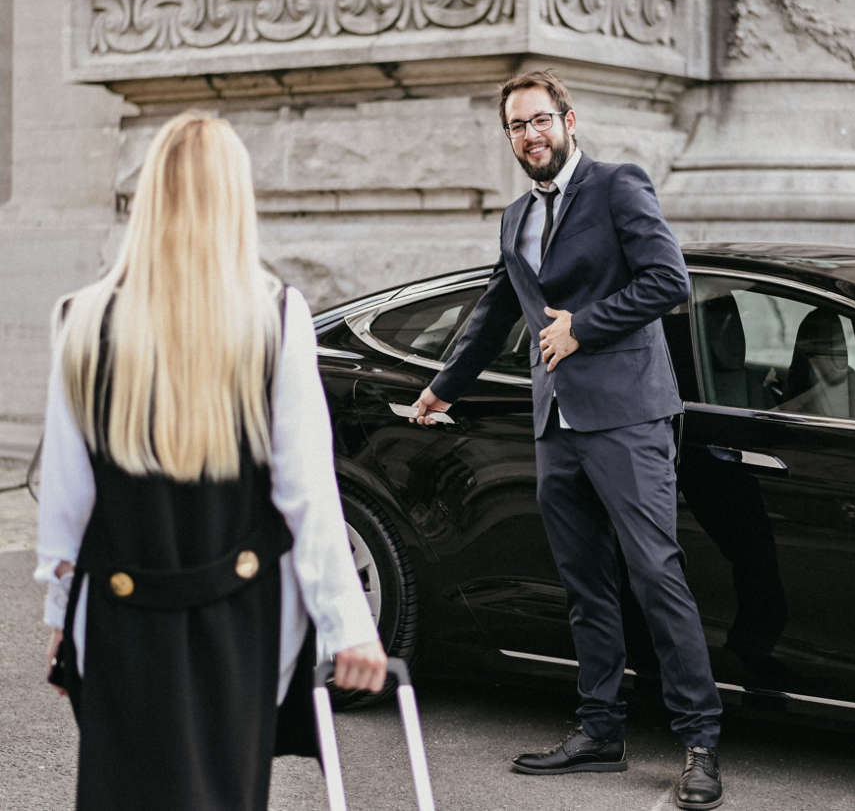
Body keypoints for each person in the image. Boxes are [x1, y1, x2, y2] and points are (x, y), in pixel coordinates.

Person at [34, 111, 387, 811]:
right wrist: (349, 626)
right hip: (240, 617)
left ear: (150, 196)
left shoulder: (81, 319)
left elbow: (69, 509)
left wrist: (59, 618)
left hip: (120, 611)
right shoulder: (277, 317)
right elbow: (308, 494)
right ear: (235, 198)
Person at [410, 71, 724, 809]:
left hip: (628, 415)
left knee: (656, 575)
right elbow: (496, 309)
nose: (531, 136)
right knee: (585, 585)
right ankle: (600, 730)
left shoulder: (618, 185)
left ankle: (700, 741)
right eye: (517, 127)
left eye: (541, 120)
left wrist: (583, 325)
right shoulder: (515, 215)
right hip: (556, 423)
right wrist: (442, 387)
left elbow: (667, 281)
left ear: (569, 120)